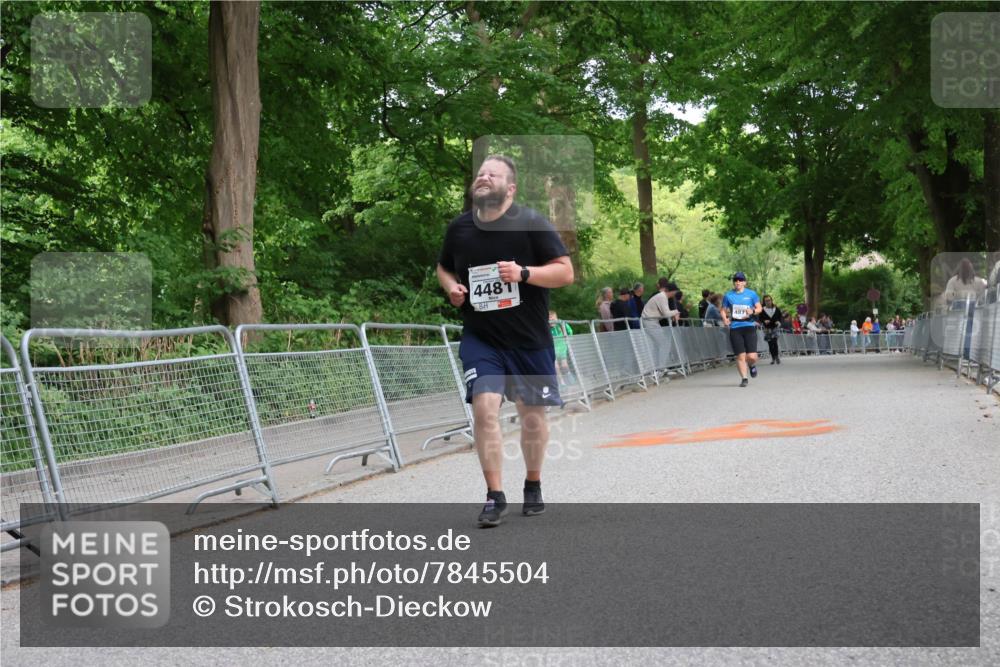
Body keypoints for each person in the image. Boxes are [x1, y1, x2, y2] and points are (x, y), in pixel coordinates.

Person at [436, 155, 573, 527]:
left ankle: (533, 483)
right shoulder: (460, 228)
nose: (482, 178)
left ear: (509, 188)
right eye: (480, 173)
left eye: (491, 175)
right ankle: (494, 496)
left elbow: (565, 272)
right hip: (483, 338)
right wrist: (453, 287)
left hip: (530, 340)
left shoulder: (531, 223)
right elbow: (443, 266)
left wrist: (524, 272)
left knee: (532, 418)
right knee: (484, 408)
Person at [721, 271, 762, 387]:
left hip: (749, 326)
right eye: (736, 280)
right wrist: (725, 319)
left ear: (745, 282)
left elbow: (759, 308)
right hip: (735, 327)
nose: (738, 282)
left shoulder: (752, 294)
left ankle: (752, 365)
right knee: (740, 355)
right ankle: (744, 378)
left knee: (752, 356)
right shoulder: (728, 295)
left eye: (740, 280)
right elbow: (723, 310)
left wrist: (752, 311)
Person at [549, 311, 574, 387]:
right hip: (553, 349)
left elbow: (570, 331)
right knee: (556, 367)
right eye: (549, 320)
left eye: (553, 320)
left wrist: (568, 340)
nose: (552, 322)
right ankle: (562, 382)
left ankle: (568, 375)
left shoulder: (561, 325)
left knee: (564, 365)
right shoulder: (546, 327)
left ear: (557, 319)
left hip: (562, 347)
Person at [758, 294, 783, 364]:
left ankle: (777, 357)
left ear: (771, 300)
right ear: (764, 302)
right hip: (767, 328)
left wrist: (779, 321)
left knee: (775, 342)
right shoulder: (762, 310)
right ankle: (773, 358)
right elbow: (760, 318)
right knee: (770, 343)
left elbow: (780, 317)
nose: (768, 302)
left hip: (775, 327)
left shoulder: (776, 308)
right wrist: (764, 321)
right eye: (766, 301)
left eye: (769, 300)